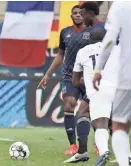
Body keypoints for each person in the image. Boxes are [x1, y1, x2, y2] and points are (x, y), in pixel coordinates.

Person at [38, 5, 91, 157]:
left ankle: (97, 143)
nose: (78, 15)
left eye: (81, 13)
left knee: (93, 111)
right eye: (75, 13)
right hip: (69, 76)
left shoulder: (92, 32)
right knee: (68, 105)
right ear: (71, 15)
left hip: (87, 77)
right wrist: (47, 75)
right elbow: (60, 55)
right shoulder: (65, 32)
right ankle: (73, 145)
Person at [93, 2, 131, 166]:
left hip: (129, 74)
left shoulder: (121, 4)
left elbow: (109, 40)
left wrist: (98, 68)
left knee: (119, 127)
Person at [71, 28, 117, 164]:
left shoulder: (83, 51)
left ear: (89, 40)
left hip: (98, 91)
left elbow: (74, 81)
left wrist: (87, 81)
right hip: (118, 89)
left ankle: (103, 152)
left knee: (99, 123)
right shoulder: (115, 49)